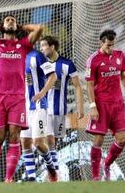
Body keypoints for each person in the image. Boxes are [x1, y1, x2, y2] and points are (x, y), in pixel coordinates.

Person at [0, 15, 43, 183]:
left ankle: (9, 179)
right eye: (7, 20)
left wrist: (21, 27)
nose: (10, 22)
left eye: (12, 20)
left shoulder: (23, 45)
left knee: (15, 136)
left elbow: (39, 29)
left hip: (17, 98)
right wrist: (1, 27)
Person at [85, 30, 125, 181]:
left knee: (122, 138)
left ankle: (106, 164)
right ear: (101, 43)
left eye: (113, 45)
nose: (111, 48)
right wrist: (92, 106)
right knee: (99, 140)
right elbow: (89, 85)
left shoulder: (119, 55)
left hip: (118, 104)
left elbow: (122, 76)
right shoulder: (93, 60)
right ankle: (95, 176)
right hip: (101, 104)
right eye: (108, 45)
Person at [40, 35, 84, 177]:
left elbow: (77, 86)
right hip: (43, 109)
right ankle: (54, 171)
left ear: (52, 47)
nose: (41, 49)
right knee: (49, 140)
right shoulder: (41, 64)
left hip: (60, 109)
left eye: (44, 46)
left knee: (54, 142)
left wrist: (80, 107)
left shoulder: (67, 64)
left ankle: (51, 169)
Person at [20, 49, 58, 182]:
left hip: (38, 107)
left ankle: (51, 166)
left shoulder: (37, 56)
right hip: (21, 109)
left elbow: (53, 76)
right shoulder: (13, 57)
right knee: (25, 142)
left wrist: (42, 93)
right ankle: (31, 178)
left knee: (38, 143)